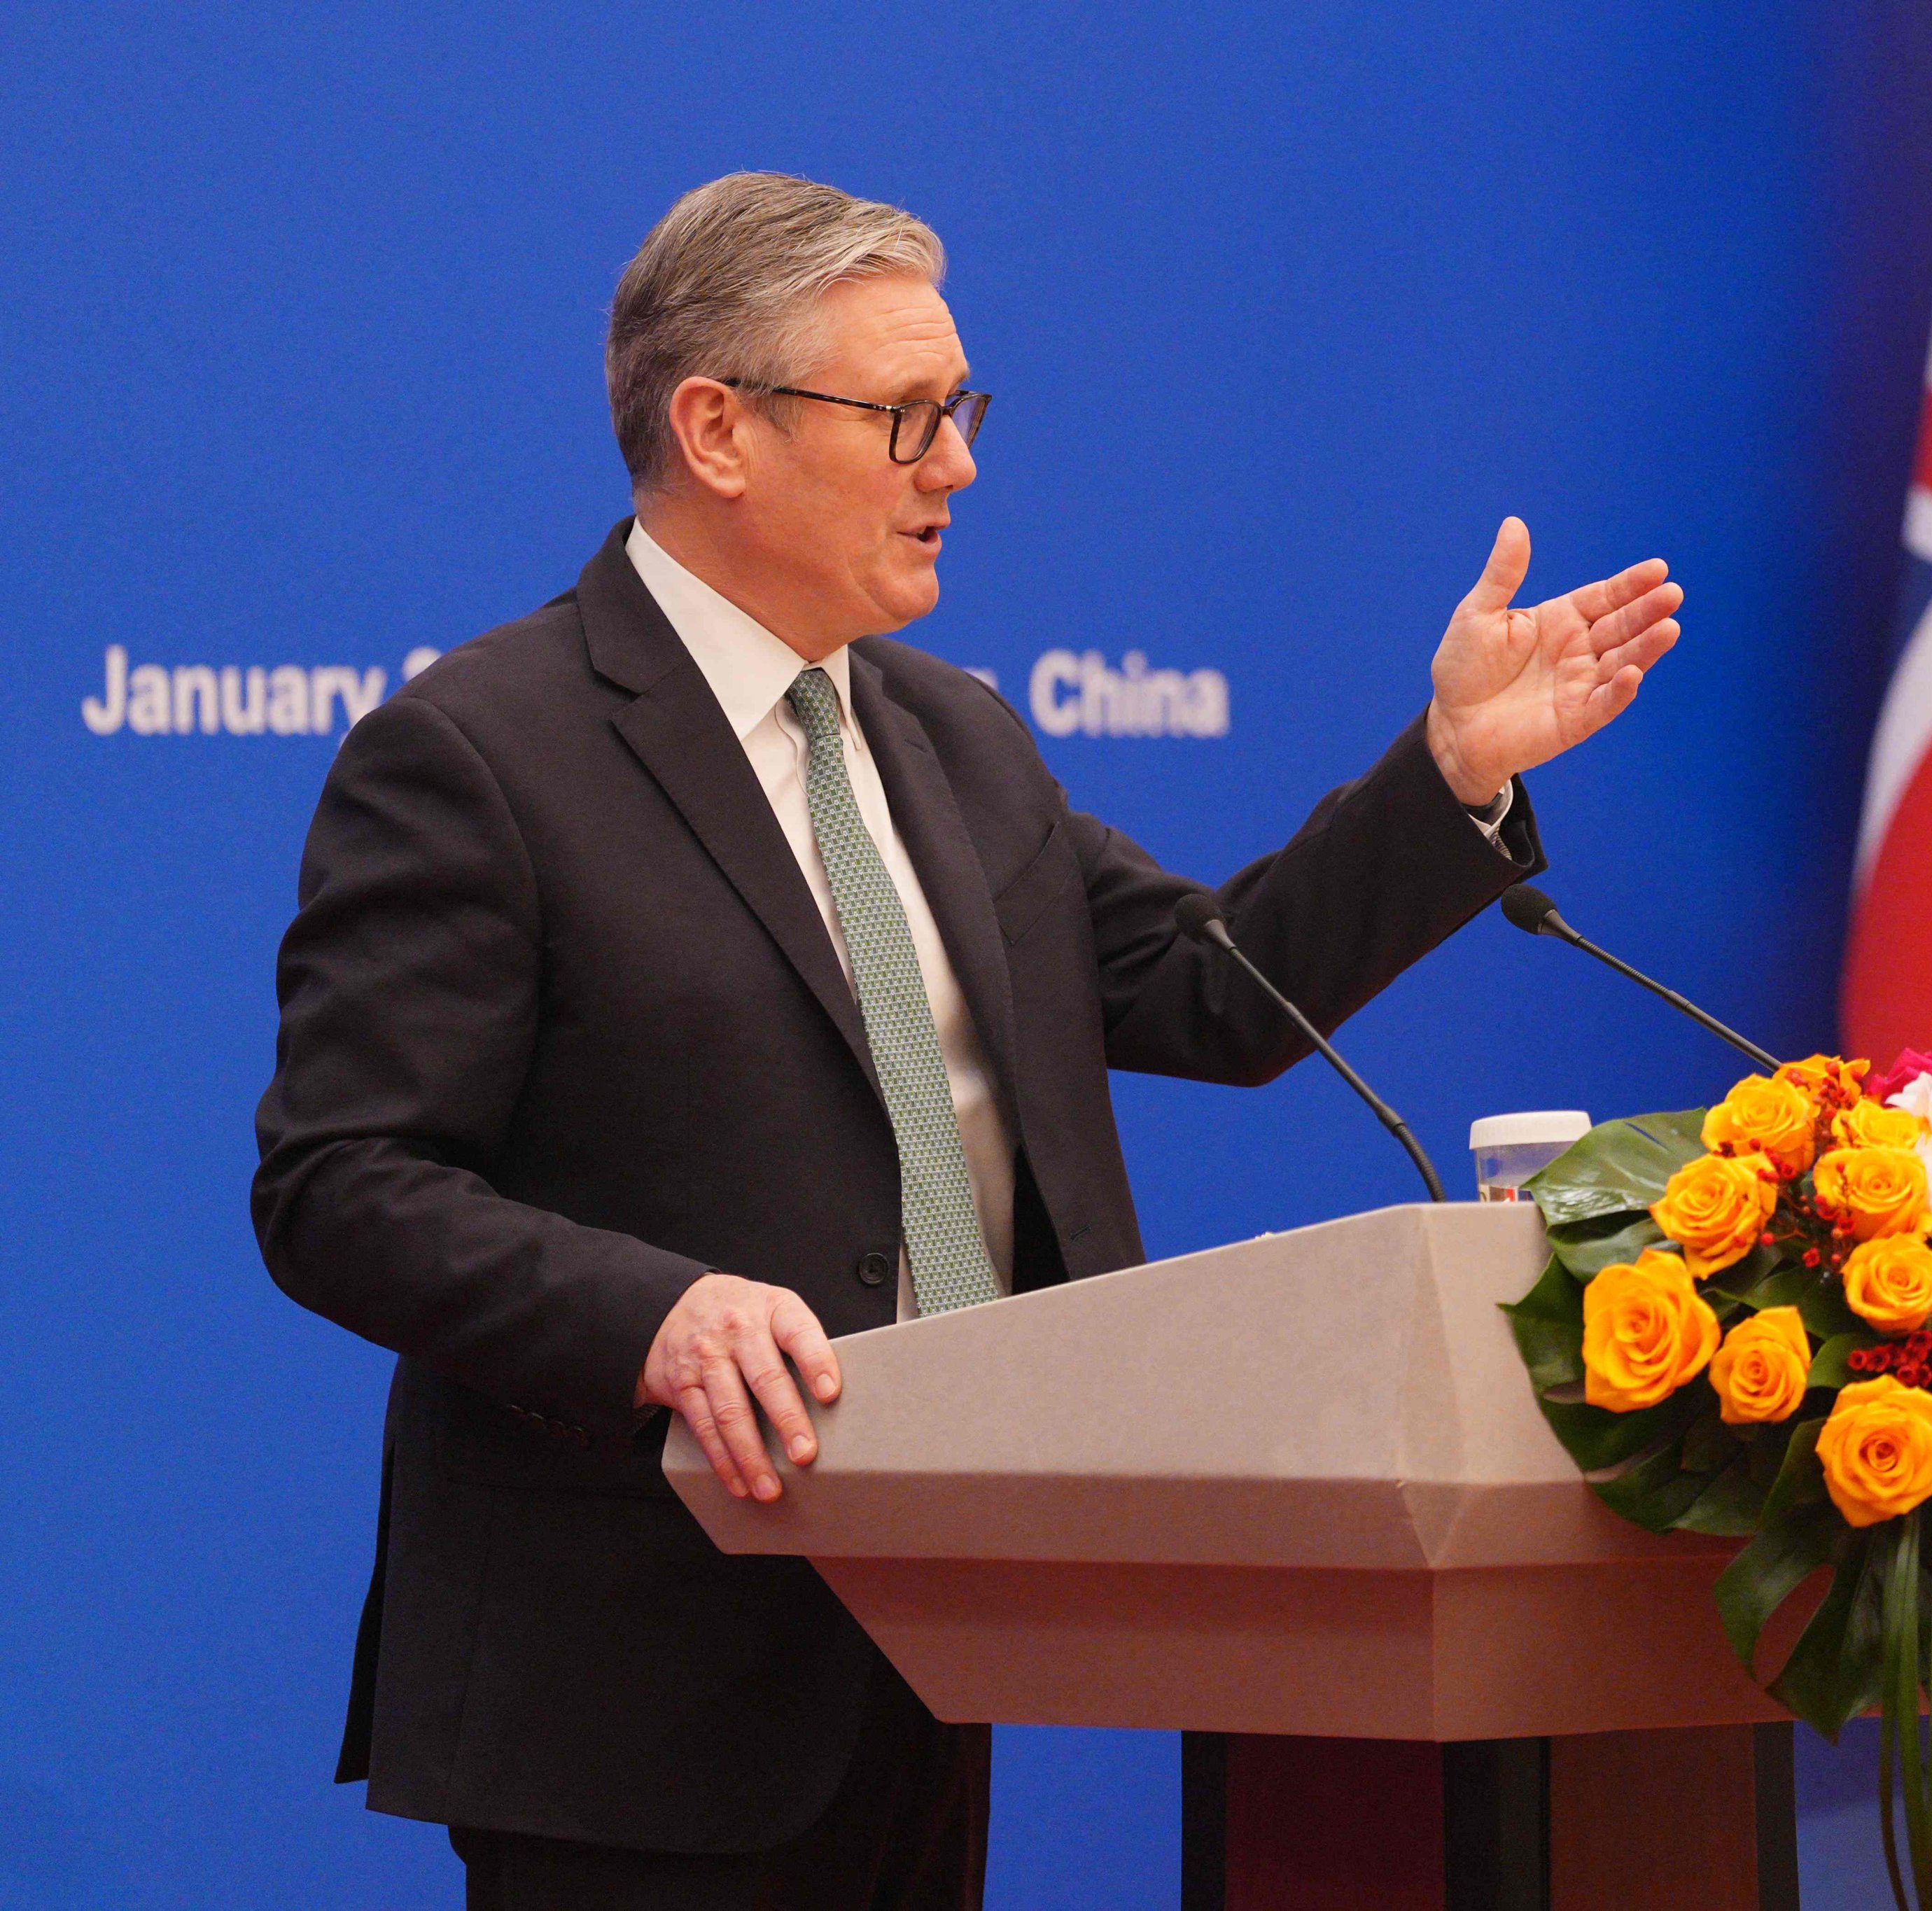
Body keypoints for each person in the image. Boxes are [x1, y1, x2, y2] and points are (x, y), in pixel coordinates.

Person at [250, 172, 1681, 1910]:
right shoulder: (482, 752)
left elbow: (1216, 996)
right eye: (908, 418)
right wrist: (654, 1315)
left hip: (941, 1644)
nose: (961, 468)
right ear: (717, 429)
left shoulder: (954, 740)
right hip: (638, 1678)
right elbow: (343, 1184)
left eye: (962, 412)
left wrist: (1453, 773)